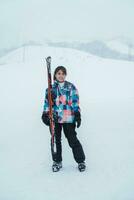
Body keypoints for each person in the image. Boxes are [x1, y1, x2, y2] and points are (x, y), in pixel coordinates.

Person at [42, 66, 86, 172]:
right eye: (58, 73)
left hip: (68, 118)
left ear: (65, 75)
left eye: (63, 73)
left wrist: (77, 114)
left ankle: (81, 161)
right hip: (55, 118)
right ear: (55, 75)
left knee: (72, 140)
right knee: (55, 141)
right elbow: (47, 104)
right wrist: (45, 114)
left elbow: (75, 102)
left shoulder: (71, 87)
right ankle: (57, 161)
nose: (61, 75)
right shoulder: (50, 89)